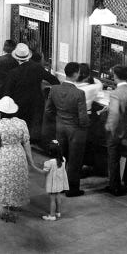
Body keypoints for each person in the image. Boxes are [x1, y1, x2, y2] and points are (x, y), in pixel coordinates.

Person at [0, 96, 40, 223]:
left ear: (1, 111)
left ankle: (7, 210)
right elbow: (26, 143)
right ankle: (15, 206)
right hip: (19, 154)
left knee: (5, 182)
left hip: (4, 155)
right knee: (17, 181)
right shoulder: (21, 123)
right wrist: (30, 160)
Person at [44, 62, 89, 197]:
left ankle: (59, 186)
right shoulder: (79, 93)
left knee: (60, 158)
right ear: (76, 74)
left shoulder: (54, 89)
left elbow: (48, 110)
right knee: (75, 160)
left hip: (60, 126)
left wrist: (58, 118)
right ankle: (72, 189)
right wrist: (87, 124)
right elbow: (83, 117)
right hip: (75, 129)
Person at [4, 43, 59, 143]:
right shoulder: (37, 68)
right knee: (31, 123)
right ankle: (29, 141)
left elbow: (8, 91)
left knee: (19, 123)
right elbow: (54, 80)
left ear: (17, 58)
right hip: (36, 102)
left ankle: (21, 142)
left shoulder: (13, 72)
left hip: (19, 102)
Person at [102, 64, 127, 196]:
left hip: (117, 130)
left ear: (115, 76)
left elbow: (114, 114)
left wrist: (109, 127)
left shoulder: (115, 93)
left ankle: (114, 185)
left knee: (113, 158)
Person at [40, 140, 68, 221]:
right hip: (59, 183)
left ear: (50, 152)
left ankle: (52, 216)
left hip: (53, 184)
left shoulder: (49, 163)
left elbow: (43, 172)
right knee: (58, 197)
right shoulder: (63, 159)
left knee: (52, 200)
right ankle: (58, 212)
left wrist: (33, 167)